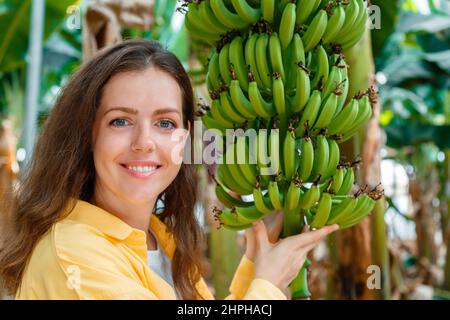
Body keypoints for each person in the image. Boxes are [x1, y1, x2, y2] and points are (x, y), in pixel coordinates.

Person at [0, 39, 338, 300]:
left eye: (165, 122)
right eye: (120, 121)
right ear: (87, 135)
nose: (145, 142)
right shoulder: (73, 254)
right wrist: (269, 285)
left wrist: (255, 261)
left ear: (186, 138)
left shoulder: (161, 240)